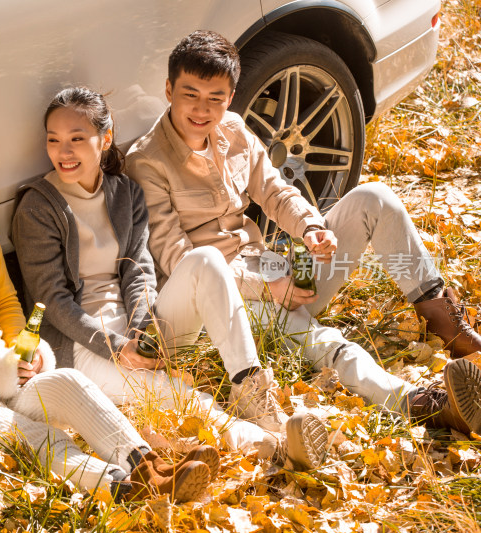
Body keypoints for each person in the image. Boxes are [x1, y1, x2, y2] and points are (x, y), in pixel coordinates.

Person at [125, 30, 481, 435]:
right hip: (221, 304)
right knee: (326, 341)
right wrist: (266, 286)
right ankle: (418, 403)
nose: (202, 110)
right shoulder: (147, 162)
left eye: (216, 98)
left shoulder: (235, 130)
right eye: (190, 94)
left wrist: (312, 227)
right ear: (169, 89)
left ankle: (445, 321)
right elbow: (174, 257)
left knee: (375, 197)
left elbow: (275, 192)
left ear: (232, 94)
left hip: (273, 266)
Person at [0, 118, 214, 503]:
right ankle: (121, 487)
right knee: (35, 436)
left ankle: (151, 470)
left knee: (71, 382)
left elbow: (8, 301)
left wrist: (24, 348)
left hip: (8, 375)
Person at [11, 87, 330, 471]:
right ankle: (269, 446)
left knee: (207, 259)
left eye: (77, 139)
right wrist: (117, 346)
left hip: (135, 329)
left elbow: (139, 269)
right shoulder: (37, 208)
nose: (64, 152)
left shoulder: (124, 192)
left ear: (105, 139)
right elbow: (54, 302)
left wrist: (145, 330)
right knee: (171, 390)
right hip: (83, 346)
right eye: (54, 140)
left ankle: (251, 389)